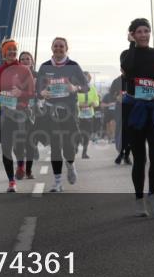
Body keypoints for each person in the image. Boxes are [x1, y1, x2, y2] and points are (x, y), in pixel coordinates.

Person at [121, 18, 154, 217]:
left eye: (146, 31)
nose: (143, 35)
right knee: (139, 157)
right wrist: (132, 45)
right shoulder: (126, 54)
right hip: (135, 107)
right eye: (139, 32)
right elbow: (128, 69)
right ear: (133, 34)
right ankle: (139, 199)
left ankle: (153, 195)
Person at [36, 37, 89, 192]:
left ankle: (70, 165)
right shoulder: (45, 67)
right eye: (56, 46)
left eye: (61, 46)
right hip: (51, 111)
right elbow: (38, 89)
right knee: (55, 146)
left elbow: (86, 87)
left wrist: (75, 88)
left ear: (66, 48)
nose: (58, 48)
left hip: (69, 111)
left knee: (68, 145)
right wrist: (42, 92)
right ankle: (57, 182)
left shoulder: (73, 66)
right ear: (52, 48)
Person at [0, 39, 36, 192]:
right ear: (4, 53)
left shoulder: (24, 70)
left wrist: (20, 93)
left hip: (21, 113)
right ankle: (11, 182)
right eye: (9, 50)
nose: (12, 52)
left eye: (14, 50)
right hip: (6, 114)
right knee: (6, 148)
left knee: (19, 146)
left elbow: (32, 93)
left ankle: (21, 165)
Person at [16, 51, 40, 180]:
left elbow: (42, 92)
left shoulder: (38, 75)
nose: (25, 61)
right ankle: (20, 166)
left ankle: (29, 171)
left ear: (32, 62)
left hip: (34, 112)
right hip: (18, 111)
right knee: (18, 142)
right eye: (22, 59)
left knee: (30, 143)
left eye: (27, 59)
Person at [76, 72, 100, 159]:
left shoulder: (92, 88)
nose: (85, 79)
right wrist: (79, 104)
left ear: (89, 79)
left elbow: (97, 101)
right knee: (77, 133)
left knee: (87, 134)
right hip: (78, 115)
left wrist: (94, 103)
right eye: (83, 77)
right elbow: (73, 100)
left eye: (87, 78)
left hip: (89, 115)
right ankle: (75, 148)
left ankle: (84, 153)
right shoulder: (76, 88)